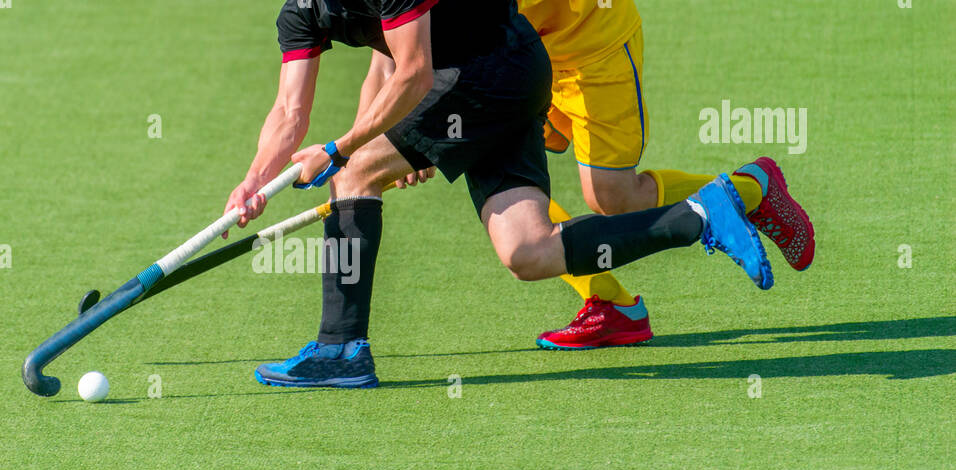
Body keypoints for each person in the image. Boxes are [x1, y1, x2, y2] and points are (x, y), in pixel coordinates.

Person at [225, 0, 797, 388]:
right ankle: (700, 216)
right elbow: (291, 109)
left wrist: (348, 149)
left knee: (352, 175)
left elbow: (415, 73)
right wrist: (254, 182)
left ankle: (341, 350)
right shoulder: (300, 11)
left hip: (489, 74)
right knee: (527, 251)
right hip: (496, 71)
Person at [513, 0, 816, 350]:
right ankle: (609, 302)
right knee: (501, 166)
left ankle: (751, 191)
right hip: (523, 52)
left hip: (592, 44)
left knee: (614, 196)